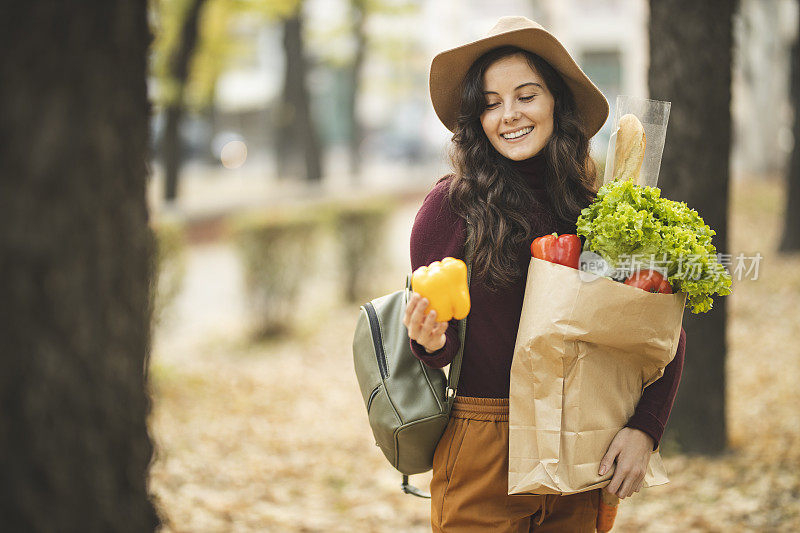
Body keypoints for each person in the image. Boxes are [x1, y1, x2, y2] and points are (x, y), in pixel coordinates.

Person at [402, 16, 687, 532]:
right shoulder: (450, 208)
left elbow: (658, 331)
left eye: (526, 95)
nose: (508, 114)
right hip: (483, 444)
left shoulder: (600, 209)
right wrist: (427, 339)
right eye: (490, 103)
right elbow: (438, 350)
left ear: (557, 101)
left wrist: (646, 428)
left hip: (579, 442)